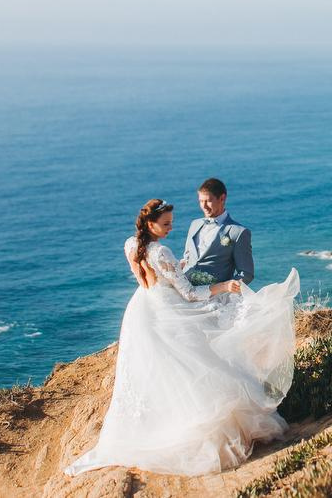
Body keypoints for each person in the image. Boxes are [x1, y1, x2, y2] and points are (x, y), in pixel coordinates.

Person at [64, 198, 299, 477]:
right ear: (150, 224)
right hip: (168, 312)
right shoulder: (161, 251)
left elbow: (146, 277)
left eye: (171, 223)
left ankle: (159, 423)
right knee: (198, 362)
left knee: (158, 372)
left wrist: (176, 267)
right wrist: (224, 286)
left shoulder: (130, 245)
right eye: (165, 224)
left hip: (141, 311)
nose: (170, 228)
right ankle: (203, 428)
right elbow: (189, 293)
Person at [182, 178, 254, 285]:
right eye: (201, 201)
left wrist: (225, 289)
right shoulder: (194, 224)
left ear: (222, 198)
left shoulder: (238, 232)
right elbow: (187, 258)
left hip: (216, 294)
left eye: (208, 201)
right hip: (184, 289)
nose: (204, 206)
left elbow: (246, 273)